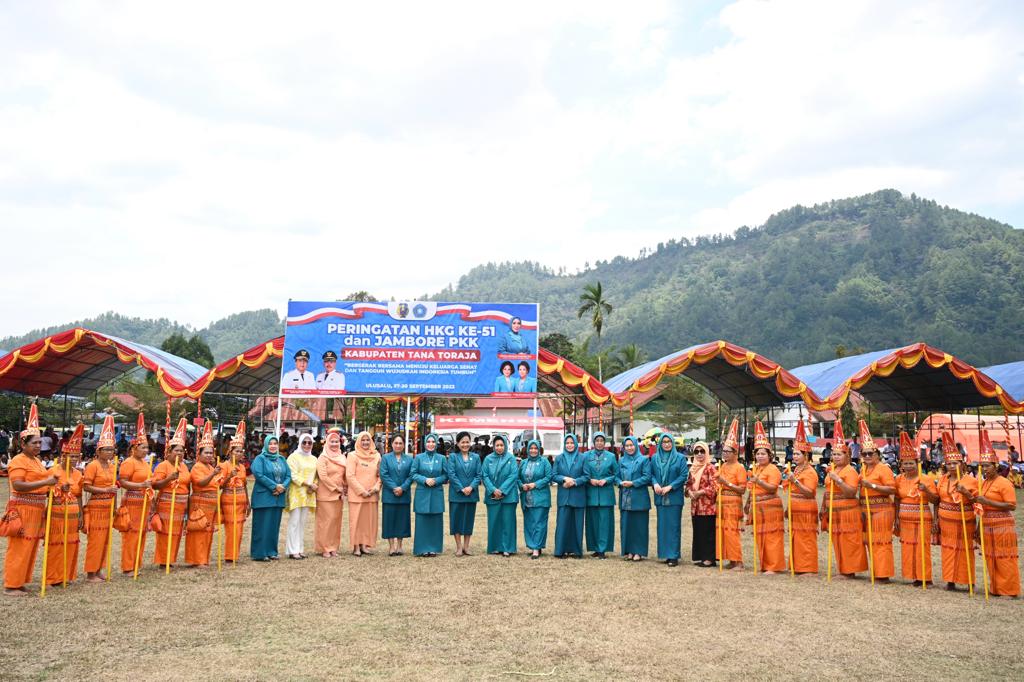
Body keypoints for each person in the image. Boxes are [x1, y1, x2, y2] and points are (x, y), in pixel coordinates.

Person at [4, 405, 57, 596]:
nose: (38, 446)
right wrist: (46, 482)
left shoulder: (36, 461)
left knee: (30, 546)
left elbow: (44, 482)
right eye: (34, 443)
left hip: (36, 509)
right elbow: (18, 485)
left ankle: (20, 581)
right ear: (23, 443)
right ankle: (11, 584)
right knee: (20, 547)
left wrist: (53, 487)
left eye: (39, 442)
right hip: (23, 508)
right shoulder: (18, 460)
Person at [973, 431, 1020, 598]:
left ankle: (1010, 590)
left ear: (996, 466)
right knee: (991, 557)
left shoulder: (1004, 483)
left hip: (1002, 526)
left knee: (1004, 558)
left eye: (988, 466)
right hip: (987, 525)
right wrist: (978, 527)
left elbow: (1011, 506)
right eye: (983, 466)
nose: (985, 469)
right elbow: (981, 506)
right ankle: (996, 588)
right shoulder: (984, 483)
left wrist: (987, 502)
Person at [819, 422, 867, 578]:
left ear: (847, 456)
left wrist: (838, 480)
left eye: (839, 454)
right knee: (837, 539)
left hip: (848, 511)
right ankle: (843, 568)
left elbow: (851, 493)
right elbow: (827, 491)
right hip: (834, 511)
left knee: (849, 540)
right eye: (834, 454)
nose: (836, 457)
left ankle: (849, 570)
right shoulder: (832, 470)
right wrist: (823, 507)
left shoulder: (850, 471)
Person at [893, 432, 937, 586]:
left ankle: (925, 577)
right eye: (905, 463)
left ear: (917, 463)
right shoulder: (899, 479)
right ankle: (913, 576)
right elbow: (897, 498)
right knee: (908, 547)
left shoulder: (926, 479)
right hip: (905, 519)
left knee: (922, 548)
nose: (908, 466)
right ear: (901, 465)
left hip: (922, 518)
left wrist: (927, 490)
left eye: (911, 463)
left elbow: (935, 500)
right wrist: (896, 517)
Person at [936, 431, 977, 591]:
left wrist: (966, 493)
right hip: (946, 522)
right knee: (948, 550)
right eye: (949, 463)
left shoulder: (971, 481)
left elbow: (977, 504)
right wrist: (936, 519)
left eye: (955, 463)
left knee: (965, 549)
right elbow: (937, 500)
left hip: (965, 521)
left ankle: (969, 581)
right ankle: (950, 580)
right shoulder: (942, 479)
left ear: (962, 464)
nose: (952, 466)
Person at [45, 425, 84, 587]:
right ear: (63, 456)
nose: (73, 459)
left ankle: (67, 575)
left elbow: (79, 495)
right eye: (71, 456)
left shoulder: (78, 473)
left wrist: (81, 514)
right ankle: (54, 577)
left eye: (76, 456)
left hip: (73, 514)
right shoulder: (53, 471)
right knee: (56, 545)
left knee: (71, 544)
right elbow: (46, 492)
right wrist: (60, 489)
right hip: (57, 514)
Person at [857, 421, 896, 582]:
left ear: (877, 455)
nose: (867, 456)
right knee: (870, 541)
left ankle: (883, 574)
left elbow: (892, 489)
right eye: (864, 454)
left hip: (882, 510)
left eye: (870, 454)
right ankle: (876, 571)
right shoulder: (863, 469)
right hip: (866, 510)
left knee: (881, 541)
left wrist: (872, 485)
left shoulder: (883, 469)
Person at [745, 422, 785, 574]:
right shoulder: (756, 468)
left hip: (770, 507)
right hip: (758, 506)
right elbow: (752, 488)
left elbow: (773, 488)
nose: (760, 456)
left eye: (763, 454)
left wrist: (759, 481)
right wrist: (748, 503)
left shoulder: (773, 469)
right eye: (758, 454)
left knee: (772, 537)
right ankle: (765, 564)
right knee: (761, 536)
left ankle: (774, 566)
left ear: (770, 456)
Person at [151, 418, 191, 570]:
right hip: (167, 503)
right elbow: (155, 485)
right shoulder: (163, 465)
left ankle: (171, 559)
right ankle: (163, 560)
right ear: (169, 452)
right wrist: (169, 478)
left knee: (176, 533)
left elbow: (187, 485)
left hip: (181, 504)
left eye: (181, 451)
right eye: (176, 450)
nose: (179, 453)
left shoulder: (184, 466)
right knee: (166, 532)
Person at [82, 417, 118, 581]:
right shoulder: (92, 465)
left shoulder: (112, 466)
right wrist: (105, 490)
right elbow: (86, 486)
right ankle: (91, 572)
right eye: (106, 449)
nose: (110, 452)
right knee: (96, 540)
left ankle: (98, 569)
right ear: (98, 451)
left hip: (108, 506)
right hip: (96, 506)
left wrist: (114, 506)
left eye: (112, 449)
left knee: (105, 540)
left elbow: (114, 488)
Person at [118, 414, 154, 575]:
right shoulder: (128, 462)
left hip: (144, 501)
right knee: (131, 533)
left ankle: (136, 564)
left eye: (147, 448)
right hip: (133, 501)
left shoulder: (145, 463)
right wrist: (140, 485)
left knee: (141, 533)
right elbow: (123, 482)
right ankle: (128, 567)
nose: (146, 451)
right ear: (134, 448)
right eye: (143, 448)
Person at [785, 421, 819, 575]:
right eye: (794, 454)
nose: (794, 456)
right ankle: (798, 565)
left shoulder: (810, 472)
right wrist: (788, 508)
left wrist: (795, 481)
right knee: (796, 537)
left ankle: (808, 567)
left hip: (806, 509)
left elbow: (810, 492)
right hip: (795, 509)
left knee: (806, 537)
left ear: (806, 456)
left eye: (798, 454)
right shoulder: (797, 469)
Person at [250, 434, 291, 562]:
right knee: (261, 526)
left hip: (278, 498)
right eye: (270, 444)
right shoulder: (260, 459)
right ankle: (259, 553)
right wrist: (275, 486)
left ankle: (272, 552)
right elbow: (259, 474)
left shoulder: (281, 459)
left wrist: (282, 487)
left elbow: (288, 475)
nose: (273, 446)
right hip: (263, 497)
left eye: (275, 444)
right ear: (266, 445)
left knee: (274, 526)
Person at [185, 422, 220, 568]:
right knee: (199, 530)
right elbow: (200, 483)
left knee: (207, 531)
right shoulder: (197, 467)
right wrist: (213, 474)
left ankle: (204, 558)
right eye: (206, 452)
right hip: (200, 502)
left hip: (211, 504)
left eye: (211, 453)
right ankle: (197, 559)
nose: (209, 455)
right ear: (199, 454)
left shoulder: (210, 467)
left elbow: (217, 484)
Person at [655, 433, 691, 568]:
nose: (666, 444)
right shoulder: (655, 458)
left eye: (669, 441)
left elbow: (683, 475)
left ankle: (673, 555)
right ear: (660, 444)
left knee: (673, 527)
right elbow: (651, 474)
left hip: (674, 497)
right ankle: (665, 554)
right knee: (662, 527)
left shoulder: (680, 458)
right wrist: (655, 483)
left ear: (673, 443)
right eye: (664, 442)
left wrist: (670, 486)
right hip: (660, 496)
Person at [411, 433, 447, 557]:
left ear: (436, 444)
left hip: (436, 493)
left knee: (436, 522)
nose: (430, 444)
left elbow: (446, 475)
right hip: (422, 493)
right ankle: (421, 548)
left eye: (433, 442)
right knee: (422, 521)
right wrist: (424, 480)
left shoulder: (442, 458)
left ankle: (434, 548)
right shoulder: (418, 458)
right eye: (428, 441)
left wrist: (436, 480)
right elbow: (413, 474)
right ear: (425, 443)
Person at [219, 422, 250, 564]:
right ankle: (229, 555)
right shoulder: (224, 466)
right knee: (232, 528)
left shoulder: (242, 467)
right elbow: (220, 485)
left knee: (239, 528)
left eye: (241, 451)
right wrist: (229, 477)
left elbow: (244, 484)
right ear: (230, 452)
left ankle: (235, 554)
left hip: (241, 501)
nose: (239, 453)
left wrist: (248, 502)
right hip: (229, 500)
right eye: (236, 451)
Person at [483, 434, 519, 556]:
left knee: (508, 522)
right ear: (493, 446)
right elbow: (484, 475)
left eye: (501, 445)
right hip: (492, 496)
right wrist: (493, 489)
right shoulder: (488, 459)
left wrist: (502, 490)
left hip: (509, 496)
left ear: (506, 445)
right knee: (494, 521)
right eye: (497, 445)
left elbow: (513, 475)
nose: (499, 447)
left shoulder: (511, 458)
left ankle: (507, 548)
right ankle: (495, 547)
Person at [716, 419, 746, 570]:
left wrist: (726, 483)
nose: (725, 454)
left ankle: (738, 561)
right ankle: (731, 559)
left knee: (732, 531)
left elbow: (742, 489)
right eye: (724, 451)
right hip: (721, 502)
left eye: (728, 452)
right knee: (723, 532)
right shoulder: (723, 466)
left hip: (733, 503)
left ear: (735, 453)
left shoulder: (739, 467)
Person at [615, 435, 650, 562]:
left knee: (639, 526)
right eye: (627, 446)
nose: (629, 448)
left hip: (639, 498)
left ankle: (638, 552)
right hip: (625, 498)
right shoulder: (621, 461)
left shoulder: (643, 460)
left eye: (631, 445)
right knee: (627, 525)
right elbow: (616, 476)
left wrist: (633, 483)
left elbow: (647, 477)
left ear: (636, 445)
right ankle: (629, 551)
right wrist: (620, 482)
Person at [346, 431, 381, 557]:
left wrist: (376, 488)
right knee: (356, 521)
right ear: (358, 441)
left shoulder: (377, 456)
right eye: (363, 440)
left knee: (368, 522)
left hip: (372, 494)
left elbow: (380, 474)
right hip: (357, 495)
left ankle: (365, 545)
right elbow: (350, 476)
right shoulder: (352, 455)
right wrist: (362, 491)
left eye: (368, 440)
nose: (365, 442)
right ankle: (356, 546)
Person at [552, 434, 587, 559]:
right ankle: (561, 550)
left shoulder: (583, 458)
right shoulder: (559, 458)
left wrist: (575, 482)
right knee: (562, 524)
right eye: (567, 443)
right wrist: (564, 479)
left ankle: (576, 551)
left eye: (572, 443)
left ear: (576, 444)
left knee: (577, 525)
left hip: (578, 496)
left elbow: (586, 476)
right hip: (564, 496)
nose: (569, 445)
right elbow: (553, 475)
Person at [446, 431, 481, 557]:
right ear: (458, 443)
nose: (465, 444)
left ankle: (466, 546)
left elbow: (479, 475)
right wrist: (461, 488)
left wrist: (471, 487)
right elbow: (451, 474)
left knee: (468, 520)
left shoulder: (476, 457)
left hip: (471, 494)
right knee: (456, 520)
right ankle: (459, 547)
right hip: (457, 494)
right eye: (462, 442)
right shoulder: (453, 457)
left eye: (467, 442)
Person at [314, 428, 346, 558]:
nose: (334, 444)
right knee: (325, 522)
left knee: (335, 522)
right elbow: (323, 476)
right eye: (332, 441)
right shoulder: (323, 457)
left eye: (336, 441)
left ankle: (333, 547)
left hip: (338, 496)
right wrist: (336, 488)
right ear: (327, 443)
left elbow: (345, 474)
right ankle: (324, 548)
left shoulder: (342, 457)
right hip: (325, 495)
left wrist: (345, 488)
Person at [584, 432, 616, 558]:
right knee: (592, 522)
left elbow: (616, 474)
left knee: (604, 523)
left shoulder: (611, 456)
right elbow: (583, 472)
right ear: (593, 442)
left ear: (605, 442)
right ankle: (595, 547)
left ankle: (602, 549)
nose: (599, 443)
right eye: (597, 440)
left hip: (606, 494)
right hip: (591, 493)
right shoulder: (586, 456)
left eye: (601, 440)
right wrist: (589, 480)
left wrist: (606, 480)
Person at [285, 434, 317, 560]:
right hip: (296, 493)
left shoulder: (314, 459)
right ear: (299, 443)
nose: (307, 445)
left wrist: (313, 486)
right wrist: (308, 484)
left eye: (309, 443)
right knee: (294, 522)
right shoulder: (293, 457)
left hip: (308, 493)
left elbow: (317, 475)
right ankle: (292, 550)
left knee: (302, 523)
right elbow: (292, 475)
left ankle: (300, 549)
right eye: (304, 442)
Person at [380, 434, 414, 556]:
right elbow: (384, 474)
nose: (398, 445)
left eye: (400, 443)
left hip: (404, 495)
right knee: (389, 521)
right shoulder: (385, 458)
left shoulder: (409, 459)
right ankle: (391, 547)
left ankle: (399, 546)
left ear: (404, 445)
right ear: (391, 444)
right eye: (396, 443)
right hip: (390, 495)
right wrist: (394, 487)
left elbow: (411, 475)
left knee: (402, 521)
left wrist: (403, 488)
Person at [519, 439, 552, 559]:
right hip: (526, 498)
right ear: (528, 449)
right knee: (529, 523)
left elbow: (548, 477)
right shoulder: (523, 463)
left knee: (539, 523)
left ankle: (536, 548)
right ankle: (532, 545)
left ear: (539, 450)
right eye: (531, 448)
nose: (533, 450)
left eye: (535, 448)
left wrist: (535, 484)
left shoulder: (544, 462)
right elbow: (517, 477)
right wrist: (521, 485)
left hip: (541, 497)